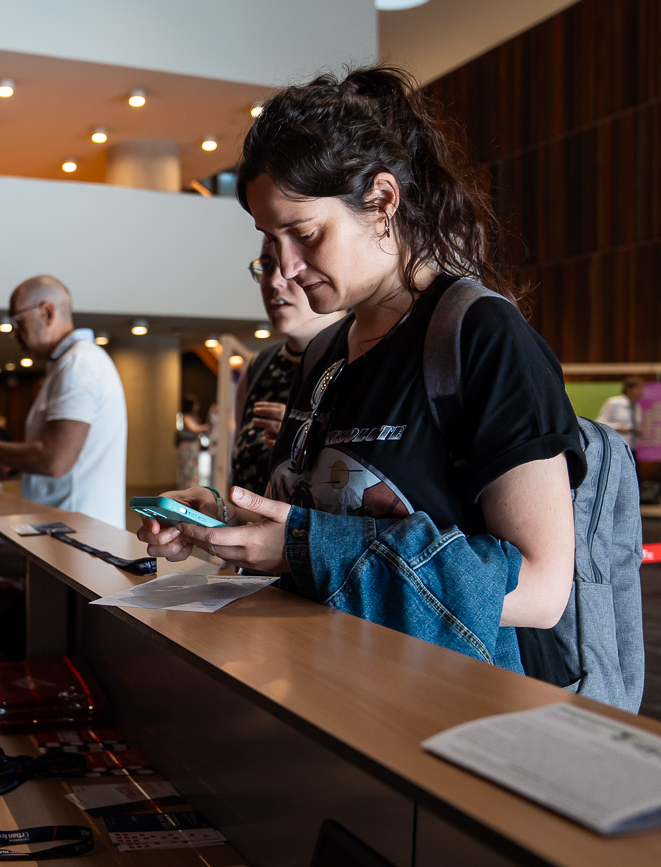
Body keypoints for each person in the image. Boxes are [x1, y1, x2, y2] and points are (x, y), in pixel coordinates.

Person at [138, 66, 586, 674]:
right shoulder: (324, 353)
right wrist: (224, 523)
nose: (286, 269)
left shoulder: (481, 336)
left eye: (304, 234)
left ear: (381, 201)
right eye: (271, 242)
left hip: (446, 715)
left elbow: (539, 590)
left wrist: (301, 545)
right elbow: (315, 521)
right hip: (327, 693)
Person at [0, 275, 128, 527]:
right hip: (68, 526)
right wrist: (17, 465)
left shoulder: (79, 364)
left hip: (80, 534)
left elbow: (54, 459)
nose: (13, 333)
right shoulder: (68, 363)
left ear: (46, 312)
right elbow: (65, 455)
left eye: (18, 321)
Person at [231, 243, 345, 494]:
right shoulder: (258, 367)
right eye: (268, 266)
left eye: (290, 266)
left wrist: (304, 435)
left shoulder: (355, 360)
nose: (274, 282)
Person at [596, 375, 644, 452]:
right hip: (615, 446)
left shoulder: (637, 407)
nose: (642, 391)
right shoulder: (614, 403)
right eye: (639, 388)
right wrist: (617, 427)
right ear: (629, 389)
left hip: (631, 447)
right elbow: (599, 422)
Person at [176, 394, 210, 489]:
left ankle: (190, 488)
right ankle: (187, 489)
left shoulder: (193, 416)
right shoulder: (186, 417)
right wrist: (206, 427)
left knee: (192, 468)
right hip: (188, 447)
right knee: (187, 469)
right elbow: (194, 429)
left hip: (192, 447)